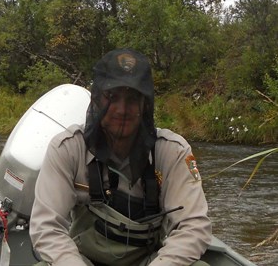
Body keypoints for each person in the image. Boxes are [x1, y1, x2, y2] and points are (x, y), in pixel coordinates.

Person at [30, 48, 212, 266]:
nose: (122, 109)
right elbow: (47, 228)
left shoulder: (173, 152)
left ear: (145, 104)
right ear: (96, 99)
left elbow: (193, 228)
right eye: (112, 97)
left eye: (132, 98)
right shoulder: (66, 149)